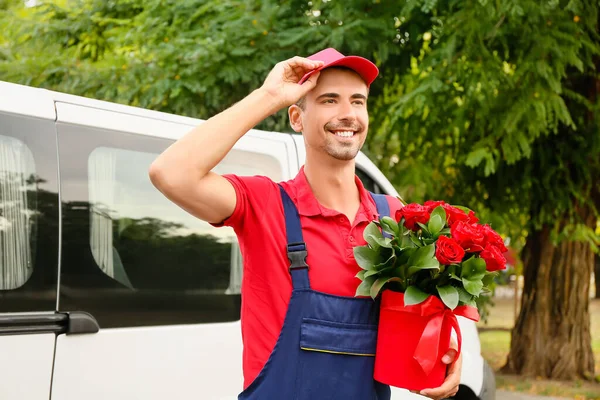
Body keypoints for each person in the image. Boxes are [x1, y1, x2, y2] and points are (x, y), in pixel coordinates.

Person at [149, 48, 461, 400]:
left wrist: (448, 352)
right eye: (330, 100)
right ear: (296, 118)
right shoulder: (264, 206)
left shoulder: (393, 217)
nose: (348, 114)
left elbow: (419, 322)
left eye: (358, 101)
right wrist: (270, 97)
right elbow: (170, 174)